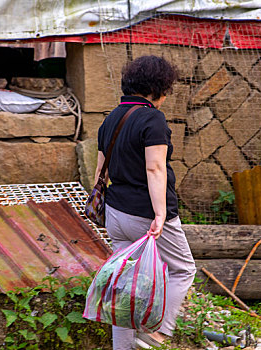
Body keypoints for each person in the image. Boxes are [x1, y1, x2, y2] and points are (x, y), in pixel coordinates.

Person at [95, 55, 196, 350]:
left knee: (124, 285)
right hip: (144, 213)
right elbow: (155, 168)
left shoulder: (110, 118)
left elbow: (101, 170)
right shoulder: (152, 118)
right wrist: (161, 214)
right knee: (183, 269)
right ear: (157, 89)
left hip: (115, 212)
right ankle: (157, 333)